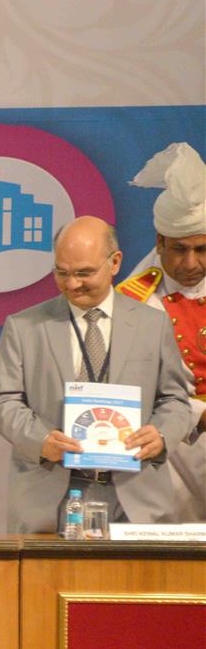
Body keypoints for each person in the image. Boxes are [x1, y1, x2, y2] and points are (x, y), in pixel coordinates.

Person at [0, 217, 192, 532]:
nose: (72, 284)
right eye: (62, 272)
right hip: (49, 497)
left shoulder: (154, 324)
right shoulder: (24, 326)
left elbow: (176, 399)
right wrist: (40, 440)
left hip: (138, 499)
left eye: (84, 273)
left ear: (115, 263)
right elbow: (3, 402)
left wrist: (162, 434)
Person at [120, 142, 206, 521]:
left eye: (203, 249)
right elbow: (131, 390)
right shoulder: (132, 303)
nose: (191, 263)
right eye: (179, 250)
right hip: (169, 455)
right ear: (159, 243)